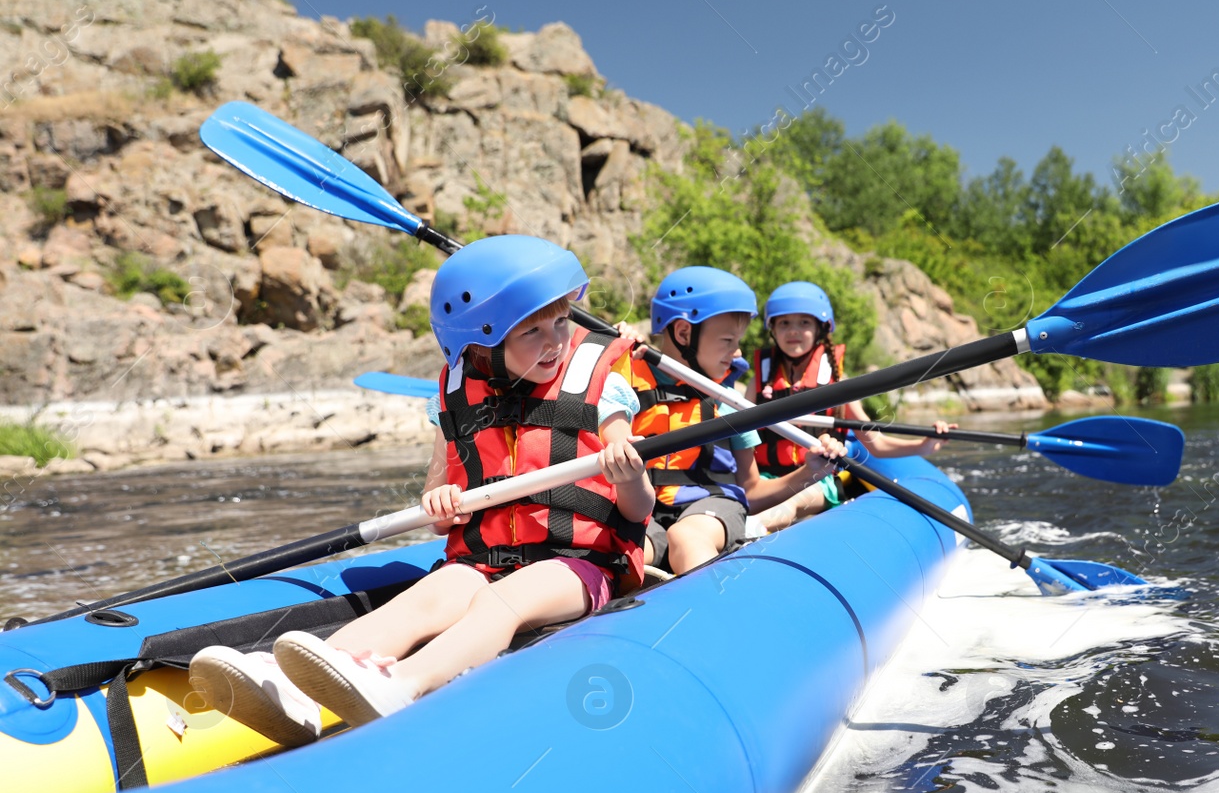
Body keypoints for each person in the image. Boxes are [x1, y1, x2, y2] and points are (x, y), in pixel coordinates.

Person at [187, 236, 651, 744]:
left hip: (577, 565)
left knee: (506, 601)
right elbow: (440, 507)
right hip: (487, 559)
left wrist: (628, 474)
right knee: (424, 599)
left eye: (561, 322)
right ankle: (293, 687)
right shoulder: (456, 393)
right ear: (483, 347)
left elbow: (638, 510)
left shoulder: (600, 385)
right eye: (531, 331)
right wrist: (442, 503)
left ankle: (403, 684)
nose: (555, 341)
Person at [625, 266, 845, 574]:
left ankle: (712, 612)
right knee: (627, 550)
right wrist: (618, 341)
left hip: (712, 509)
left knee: (685, 537)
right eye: (728, 340)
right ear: (684, 333)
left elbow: (751, 492)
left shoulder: (729, 404)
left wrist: (809, 471)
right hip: (648, 513)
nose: (738, 351)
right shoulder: (628, 381)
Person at [749, 280, 952, 530]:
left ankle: (752, 531)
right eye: (784, 323)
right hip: (768, 479)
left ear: (820, 329)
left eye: (804, 323)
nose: (793, 331)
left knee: (791, 501)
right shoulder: (758, 382)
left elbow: (874, 444)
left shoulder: (838, 385)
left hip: (817, 480)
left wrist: (923, 446)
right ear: (773, 329)